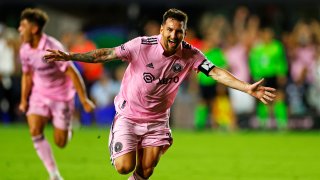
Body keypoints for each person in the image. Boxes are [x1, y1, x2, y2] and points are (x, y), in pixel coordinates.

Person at [44, 8, 276, 180]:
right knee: (125, 167)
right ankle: (117, 139)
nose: (174, 36)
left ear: (185, 33)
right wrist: (70, 56)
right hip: (129, 115)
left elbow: (215, 72)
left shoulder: (190, 54)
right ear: (162, 29)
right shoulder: (142, 45)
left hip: (157, 120)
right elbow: (106, 54)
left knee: (146, 170)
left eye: (180, 32)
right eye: (171, 30)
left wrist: (247, 88)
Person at [18, 8, 95, 180]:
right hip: (39, 94)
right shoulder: (24, 49)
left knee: (60, 142)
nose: (19, 29)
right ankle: (54, 174)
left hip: (61, 97)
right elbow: (27, 74)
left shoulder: (52, 48)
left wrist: (83, 99)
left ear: (34, 29)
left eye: (23, 26)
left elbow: (72, 72)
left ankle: (67, 130)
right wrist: (24, 99)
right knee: (35, 130)